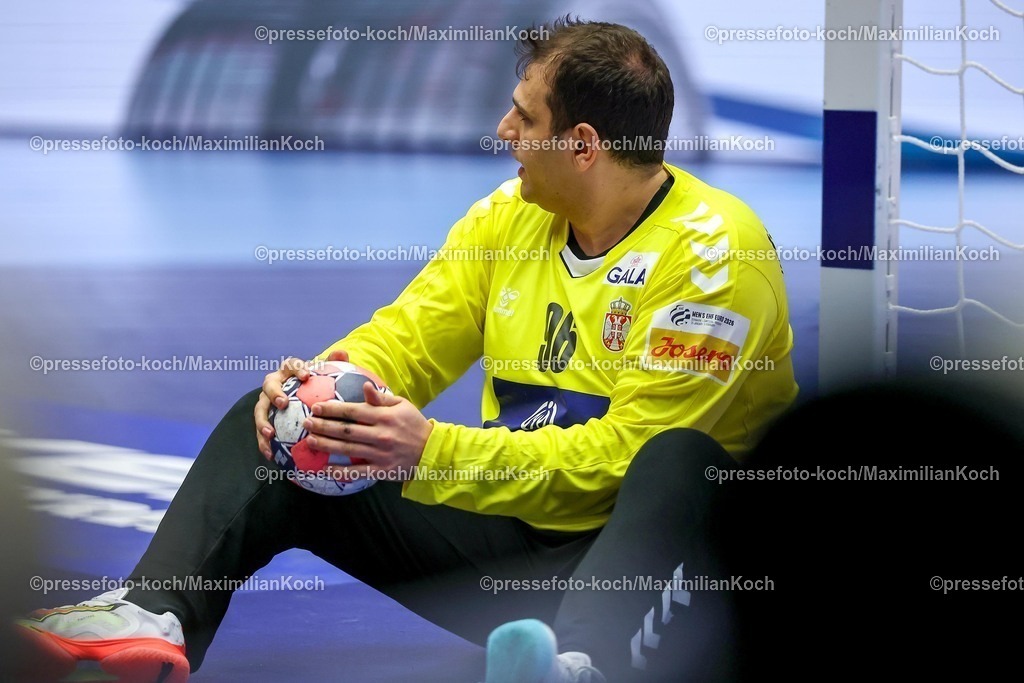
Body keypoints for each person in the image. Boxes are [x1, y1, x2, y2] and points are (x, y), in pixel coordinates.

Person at [14, 16, 797, 683]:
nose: (503, 132)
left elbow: (622, 463)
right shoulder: (511, 215)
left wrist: (430, 454)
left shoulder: (712, 258)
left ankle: (579, 666)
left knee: (679, 460)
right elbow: (413, 331)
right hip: (521, 551)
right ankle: (155, 615)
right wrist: (325, 383)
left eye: (524, 117)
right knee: (284, 426)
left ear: (584, 143)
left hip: (670, 581)